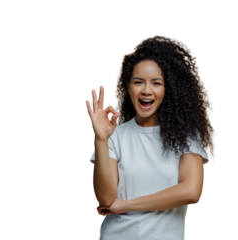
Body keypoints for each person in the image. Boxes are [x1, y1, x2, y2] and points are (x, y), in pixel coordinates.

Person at [85, 33, 220, 240]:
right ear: (129, 87)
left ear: (169, 89)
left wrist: (126, 205)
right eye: (138, 82)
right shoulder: (115, 135)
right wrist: (101, 140)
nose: (147, 90)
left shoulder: (186, 136)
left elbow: (191, 192)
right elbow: (105, 197)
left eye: (156, 83)